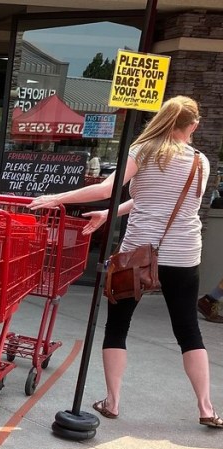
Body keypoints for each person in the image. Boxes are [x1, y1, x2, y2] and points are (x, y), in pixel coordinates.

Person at [29, 95, 219, 428]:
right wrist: (108, 213)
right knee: (189, 330)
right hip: (185, 253)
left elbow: (108, 187)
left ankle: (112, 401)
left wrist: (57, 197)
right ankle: (206, 407)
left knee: (118, 326)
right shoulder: (200, 161)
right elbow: (164, 202)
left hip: (137, 254)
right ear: (192, 125)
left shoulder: (142, 151)